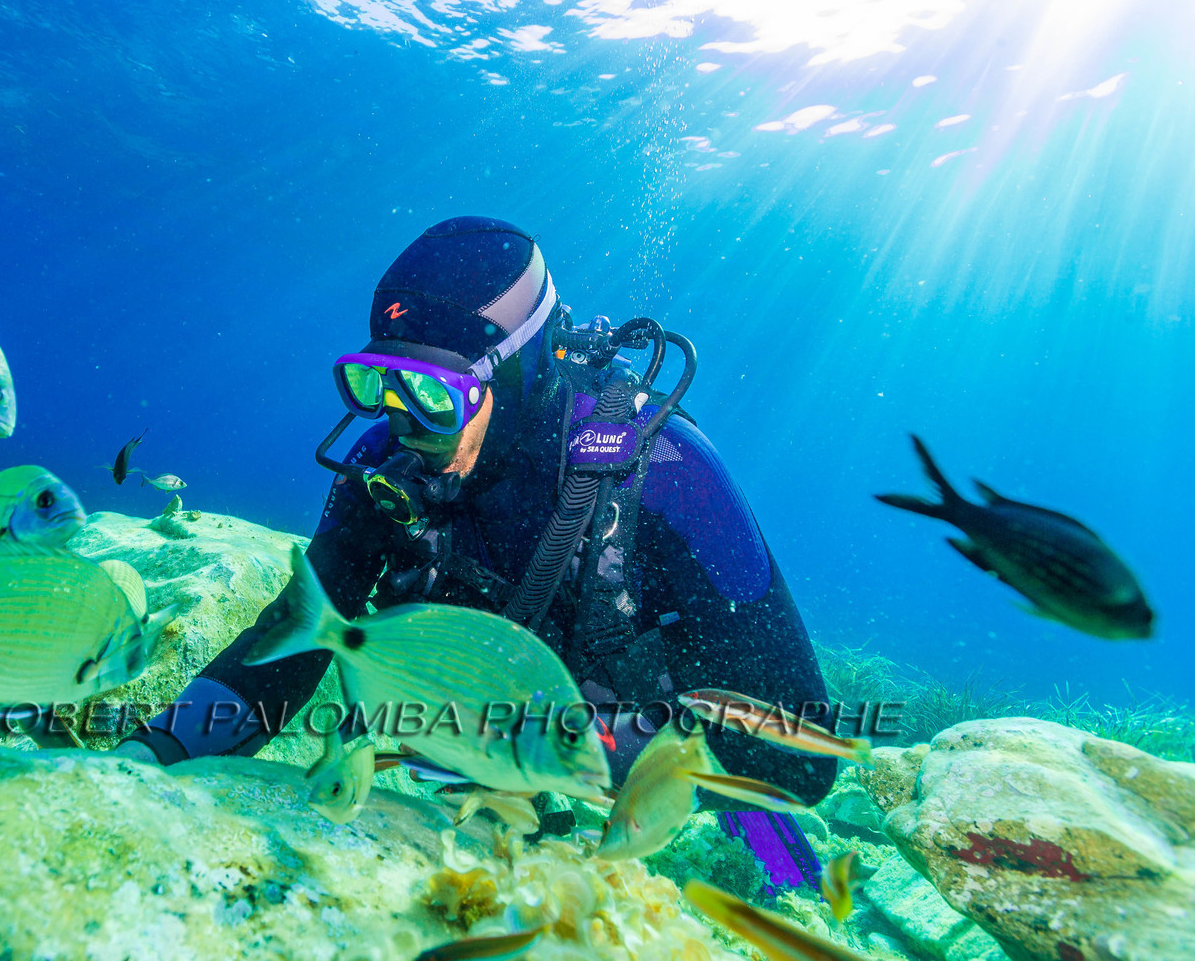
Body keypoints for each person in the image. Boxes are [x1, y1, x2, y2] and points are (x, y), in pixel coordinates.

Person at [120, 216, 836, 858]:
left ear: (523, 369)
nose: (402, 421)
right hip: (503, 737)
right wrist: (152, 754)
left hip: (627, 742)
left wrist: (581, 760)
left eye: (433, 391)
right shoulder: (386, 463)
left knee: (774, 839)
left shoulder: (669, 470)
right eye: (379, 383)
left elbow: (804, 756)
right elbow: (291, 643)